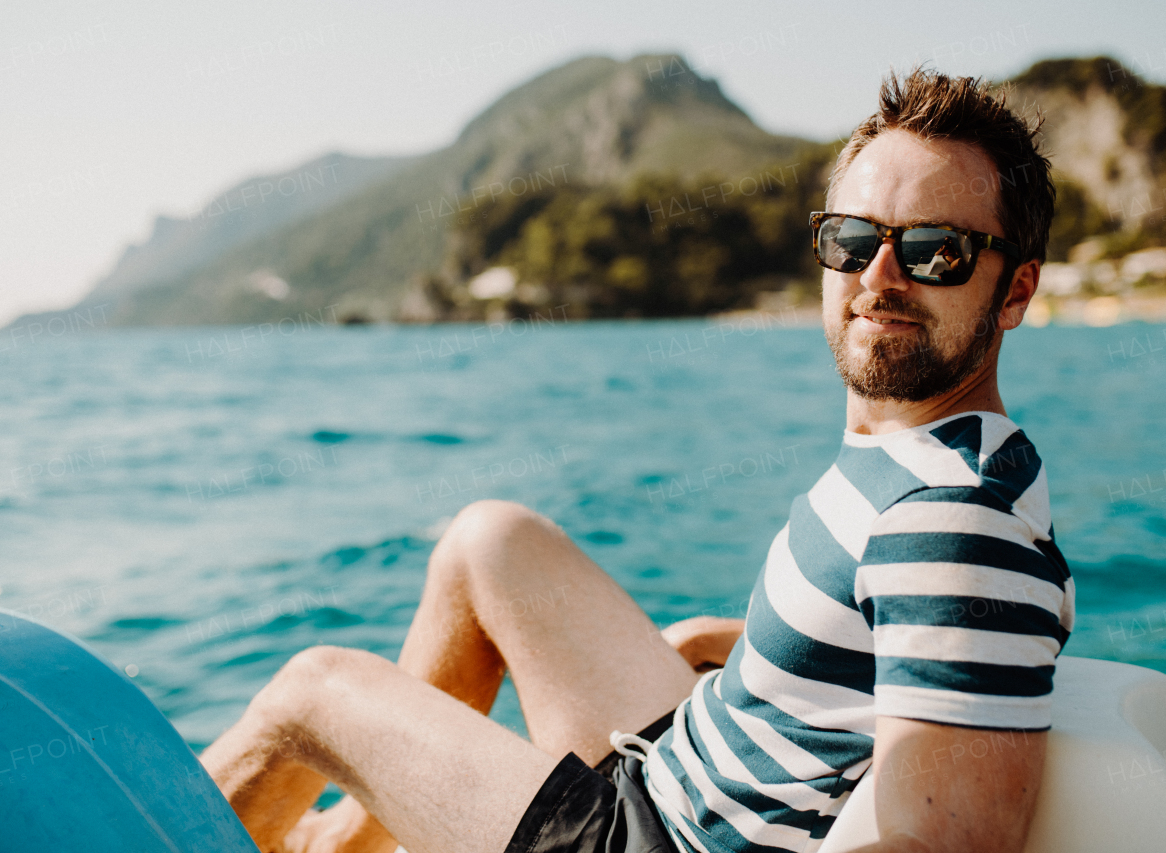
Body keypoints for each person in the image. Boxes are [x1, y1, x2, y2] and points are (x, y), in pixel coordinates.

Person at [200, 67, 1073, 853]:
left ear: (1016, 290)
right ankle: (342, 846)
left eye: (934, 251)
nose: (881, 275)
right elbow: (899, 635)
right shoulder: (943, 456)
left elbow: (939, 842)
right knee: (490, 544)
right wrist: (738, 649)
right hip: (676, 764)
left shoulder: (952, 524)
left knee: (311, 691)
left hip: (650, 837)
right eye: (852, 239)